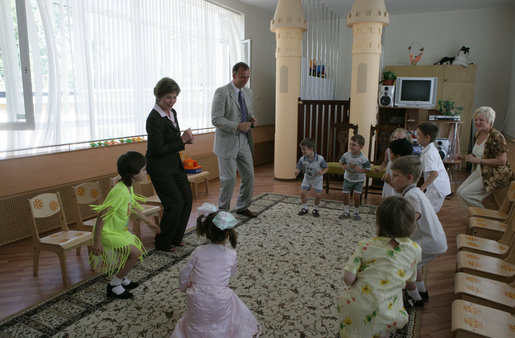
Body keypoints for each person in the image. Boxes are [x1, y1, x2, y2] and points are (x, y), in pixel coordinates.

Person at [171, 203, 261, 337]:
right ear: (228, 235)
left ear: (206, 232)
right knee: (231, 306)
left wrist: (184, 287)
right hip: (219, 298)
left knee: (197, 320)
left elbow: (184, 273)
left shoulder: (198, 251)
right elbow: (232, 272)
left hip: (195, 296)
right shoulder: (231, 254)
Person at [336, 196, 421, 337]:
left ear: (379, 223)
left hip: (354, 305)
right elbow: (411, 284)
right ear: (411, 224)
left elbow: (348, 279)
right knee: (382, 328)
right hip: (387, 312)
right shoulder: (415, 249)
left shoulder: (365, 245)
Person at [90, 151, 161, 299]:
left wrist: (149, 223)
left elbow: (133, 207)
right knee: (135, 254)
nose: (146, 172)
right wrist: (96, 241)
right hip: (108, 233)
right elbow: (101, 216)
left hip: (120, 231)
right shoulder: (119, 192)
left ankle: (122, 278)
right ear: (133, 173)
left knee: (132, 253)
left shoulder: (128, 186)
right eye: (143, 169)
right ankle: (114, 284)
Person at [390, 155, 448, 308]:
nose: (392, 179)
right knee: (416, 264)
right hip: (434, 240)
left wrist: (397, 237)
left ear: (409, 177)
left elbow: (414, 215)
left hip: (430, 241)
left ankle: (415, 298)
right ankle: (421, 291)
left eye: (395, 176)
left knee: (406, 266)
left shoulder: (411, 195)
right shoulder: (415, 191)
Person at [146, 77, 193, 252]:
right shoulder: (153, 119)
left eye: (174, 97)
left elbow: (173, 141)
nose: (171, 101)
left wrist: (186, 141)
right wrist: (182, 140)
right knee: (174, 204)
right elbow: (157, 149)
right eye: (168, 97)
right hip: (159, 168)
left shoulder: (172, 113)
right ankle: (162, 242)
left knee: (187, 199)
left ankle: (176, 238)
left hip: (174, 164)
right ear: (158, 96)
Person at [211, 62, 258, 218]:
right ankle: (222, 212)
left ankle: (242, 206)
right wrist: (237, 125)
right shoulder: (222, 92)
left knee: (249, 176)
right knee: (229, 179)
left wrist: (252, 119)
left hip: (244, 141)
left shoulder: (249, 93)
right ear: (234, 75)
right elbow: (216, 119)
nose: (245, 80)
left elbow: (248, 112)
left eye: (247, 77)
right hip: (226, 142)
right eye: (242, 77)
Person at [456, 106, 514, 210]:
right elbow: (477, 155)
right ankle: (472, 218)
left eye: (481, 120)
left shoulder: (496, 136)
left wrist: (478, 160)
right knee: (460, 192)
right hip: (481, 170)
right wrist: (463, 157)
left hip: (494, 174)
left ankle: (480, 219)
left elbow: (502, 161)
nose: (477, 122)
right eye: (476, 119)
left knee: (466, 194)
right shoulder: (478, 134)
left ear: (490, 121)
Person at [416, 122, 451, 213]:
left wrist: (422, 187)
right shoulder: (428, 149)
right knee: (424, 211)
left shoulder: (429, 153)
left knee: (427, 213)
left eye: (419, 134)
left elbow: (434, 173)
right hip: (434, 187)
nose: (416, 136)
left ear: (427, 137)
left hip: (437, 188)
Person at [338, 134, 371, 220]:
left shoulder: (364, 159)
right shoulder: (346, 155)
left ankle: (356, 212)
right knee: (345, 195)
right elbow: (341, 162)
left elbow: (368, 169)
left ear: (361, 146)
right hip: (347, 179)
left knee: (357, 197)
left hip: (359, 180)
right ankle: (346, 212)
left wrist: (360, 170)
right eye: (350, 144)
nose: (351, 146)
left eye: (354, 145)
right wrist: (343, 166)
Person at [372, 128, 411, 198]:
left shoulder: (405, 153)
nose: (396, 140)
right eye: (394, 137)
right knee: (389, 193)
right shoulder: (388, 150)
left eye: (399, 139)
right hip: (390, 174)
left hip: (398, 174)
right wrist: (379, 169)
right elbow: (385, 162)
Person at [295, 138, 329, 217]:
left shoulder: (320, 159)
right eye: (301, 149)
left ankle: (315, 209)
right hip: (307, 178)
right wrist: (297, 171)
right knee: (302, 193)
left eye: (304, 149)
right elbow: (298, 167)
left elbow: (326, 168)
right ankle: (304, 208)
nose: (302, 151)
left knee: (318, 195)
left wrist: (322, 172)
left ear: (311, 149)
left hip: (317, 179)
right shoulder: (302, 159)